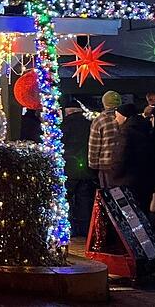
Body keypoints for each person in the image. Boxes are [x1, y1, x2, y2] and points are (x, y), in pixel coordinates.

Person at [111, 103, 155, 211]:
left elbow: (120, 157)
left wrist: (114, 174)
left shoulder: (126, 132)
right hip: (146, 178)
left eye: (117, 116)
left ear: (124, 117)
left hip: (128, 180)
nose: (115, 120)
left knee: (131, 212)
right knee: (144, 209)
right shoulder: (146, 128)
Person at [60, 98, 95, 236]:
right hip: (86, 169)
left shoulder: (64, 125)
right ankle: (86, 231)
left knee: (66, 200)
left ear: (68, 112)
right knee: (84, 200)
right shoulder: (89, 124)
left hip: (68, 169)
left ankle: (70, 231)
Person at [88, 91, 123, 187]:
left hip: (106, 164)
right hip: (124, 163)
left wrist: (93, 165)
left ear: (104, 103)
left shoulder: (99, 120)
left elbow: (94, 145)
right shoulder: (126, 118)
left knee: (109, 193)